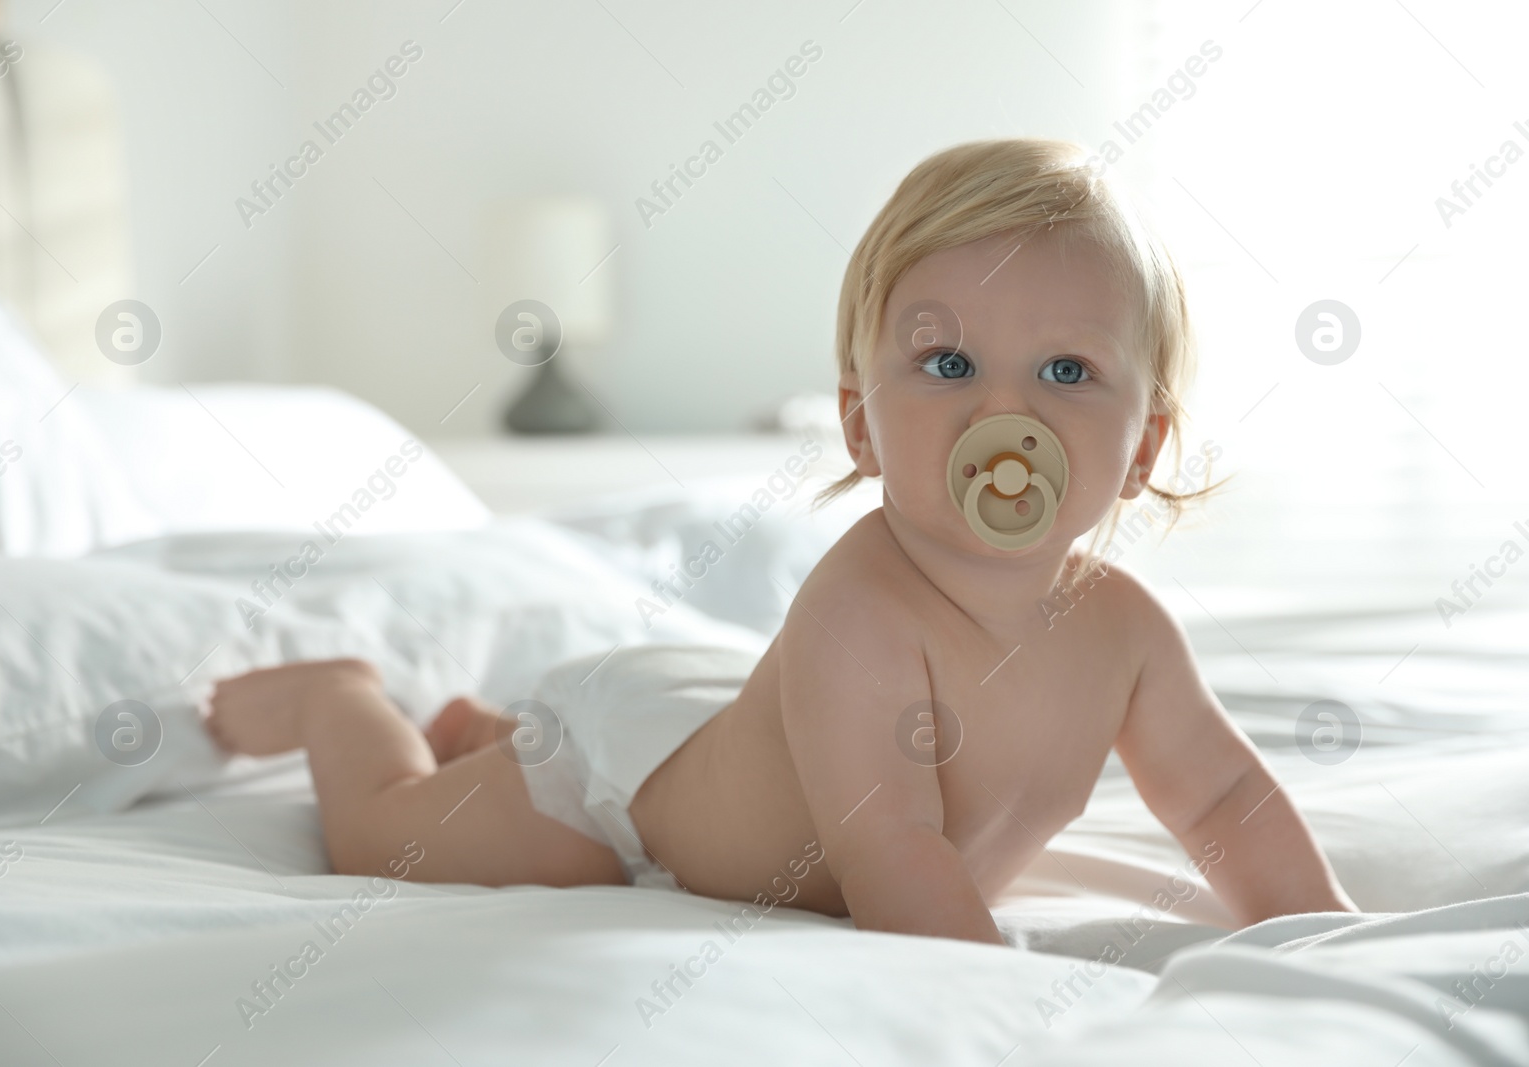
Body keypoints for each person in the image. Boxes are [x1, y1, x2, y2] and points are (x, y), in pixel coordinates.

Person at [205, 138, 1356, 944]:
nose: (1004, 417)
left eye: (1067, 370)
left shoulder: (1124, 629)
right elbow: (894, 855)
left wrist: (1325, 934)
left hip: (728, 718)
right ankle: (339, 698)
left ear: (1144, 441)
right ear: (860, 419)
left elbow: (1220, 802)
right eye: (946, 364)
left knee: (713, 741)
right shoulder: (865, 605)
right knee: (382, 839)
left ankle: (482, 728)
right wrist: (1003, 1002)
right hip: (627, 783)